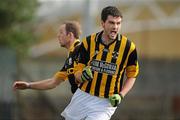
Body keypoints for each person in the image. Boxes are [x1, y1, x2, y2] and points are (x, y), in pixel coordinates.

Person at [61, 6, 139, 120]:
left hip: (106, 103)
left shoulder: (128, 47)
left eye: (118, 23)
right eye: (111, 23)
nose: (115, 27)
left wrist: (121, 95)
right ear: (103, 23)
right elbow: (77, 74)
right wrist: (82, 76)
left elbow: (132, 75)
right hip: (84, 95)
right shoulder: (88, 42)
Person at [13, 21, 82, 94]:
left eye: (61, 32)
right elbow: (53, 82)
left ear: (70, 35)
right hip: (81, 98)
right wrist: (29, 85)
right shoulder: (70, 58)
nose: (58, 35)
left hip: (86, 98)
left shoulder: (80, 50)